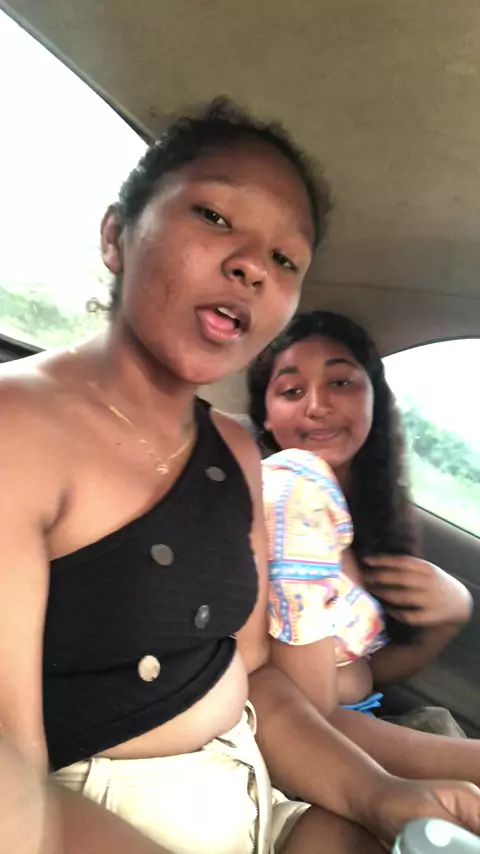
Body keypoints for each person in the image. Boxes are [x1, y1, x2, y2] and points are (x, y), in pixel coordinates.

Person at [1, 100, 480, 854]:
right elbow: (12, 781)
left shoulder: (235, 451)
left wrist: (380, 797)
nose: (253, 265)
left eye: (287, 260)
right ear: (117, 235)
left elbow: (257, 677)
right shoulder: (19, 426)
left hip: (258, 784)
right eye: (215, 217)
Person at [247, 309, 480, 780]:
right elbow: (309, 715)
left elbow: (365, 669)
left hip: (357, 725)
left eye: (341, 383)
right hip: (299, 749)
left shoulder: (362, 512)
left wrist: (448, 617)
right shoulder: (289, 492)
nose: (316, 405)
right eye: (291, 391)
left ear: (375, 399)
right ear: (266, 416)